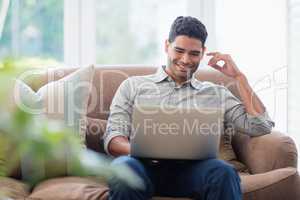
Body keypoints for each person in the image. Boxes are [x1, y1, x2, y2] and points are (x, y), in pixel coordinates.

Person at [103, 16, 274, 200]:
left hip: (194, 171)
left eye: (193, 53)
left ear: (202, 53)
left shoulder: (216, 93)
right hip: (143, 167)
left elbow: (260, 126)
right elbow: (113, 137)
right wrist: (140, 151)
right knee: (123, 168)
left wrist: (239, 77)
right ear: (166, 46)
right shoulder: (132, 86)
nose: (185, 60)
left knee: (224, 172)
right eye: (179, 50)